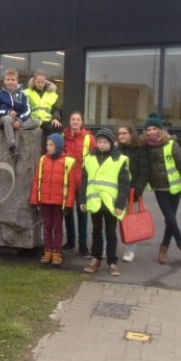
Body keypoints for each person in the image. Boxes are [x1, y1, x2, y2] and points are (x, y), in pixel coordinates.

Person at [141, 112, 181, 265]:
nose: (151, 132)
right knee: (170, 218)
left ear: (160, 130)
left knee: (169, 220)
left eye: (154, 129)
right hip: (160, 188)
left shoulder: (171, 144)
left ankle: (164, 247)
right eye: (148, 129)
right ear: (145, 132)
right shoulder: (144, 146)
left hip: (176, 187)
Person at [80, 127, 130, 276]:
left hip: (111, 203)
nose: (101, 145)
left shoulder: (120, 159)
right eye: (99, 142)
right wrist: (82, 199)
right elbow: (84, 181)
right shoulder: (89, 158)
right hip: (95, 202)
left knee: (111, 233)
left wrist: (120, 204)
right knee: (96, 231)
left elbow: (124, 185)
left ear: (111, 143)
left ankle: (112, 262)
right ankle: (96, 259)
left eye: (105, 142)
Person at [30, 133, 76, 266]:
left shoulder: (68, 162)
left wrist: (68, 204)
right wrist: (34, 199)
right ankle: (48, 251)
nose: (48, 147)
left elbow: (72, 185)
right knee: (47, 227)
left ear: (59, 146)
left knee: (57, 228)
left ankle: (57, 252)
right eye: (47, 145)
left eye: (51, 145)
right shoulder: (43, 160)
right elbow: (37, 181)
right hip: (45, 200)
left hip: (59, 202)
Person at [62, 111, 96, 257]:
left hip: (83, 181)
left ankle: (83, 246)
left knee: (82, 214)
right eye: (73, 119)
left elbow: (95, 159)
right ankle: (70, 242)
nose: (75, 122)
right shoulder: (63, 136)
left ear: (82, 122)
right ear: (69, 121)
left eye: (78, 119)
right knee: (67, 213)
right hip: (67, 181)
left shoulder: (89, 138)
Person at [116, 124, 149, 263]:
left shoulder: (140, 149)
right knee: (112, 222)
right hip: (117, 191)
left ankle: (130, 250)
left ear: (131, 134)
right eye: (119, 133)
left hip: (132, 192)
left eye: (124, 133)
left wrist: (138, 191)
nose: (121, 135)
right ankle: (107, 248)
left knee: (131, 223)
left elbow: (144, 172)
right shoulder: (117, 149)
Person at [0, 68, 40, 158]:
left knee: (36, 122)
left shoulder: (23, 94)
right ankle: (12, 146)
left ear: (17, 81)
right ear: (4, 81)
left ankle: (13, 128)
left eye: (12, 80)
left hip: (18, 121)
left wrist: (19, 120)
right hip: (4, 120)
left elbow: (27, 110)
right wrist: (7, 112)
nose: (10, 82)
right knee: (7, 119)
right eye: (8, 79)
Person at [24, 70, 62, 149]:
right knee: (49, 130)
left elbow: (55, 108)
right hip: (33, 121)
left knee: (59, 127)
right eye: (38, 82)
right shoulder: (27, 93)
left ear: (45, 82)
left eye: (42, 82)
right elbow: (24, 108)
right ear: (34, 81)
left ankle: (59, 150)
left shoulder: (51, 93)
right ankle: (47, 151)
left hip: (46, 121)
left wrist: (55, 118)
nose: (41, 84)